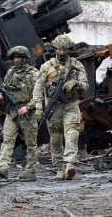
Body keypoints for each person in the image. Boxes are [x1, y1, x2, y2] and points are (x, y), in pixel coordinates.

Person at [33, 34, 89, 180]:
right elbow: (38, 88)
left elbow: (85, 86)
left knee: (72, 134)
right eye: (59, 49)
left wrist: (75, 84)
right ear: (55, 49)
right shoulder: (46, 67)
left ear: (69, 49)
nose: (62, 52)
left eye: (65, 49)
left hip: (70, 106)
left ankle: (70, 164)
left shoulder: (77, 65)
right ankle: (59, 167)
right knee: (55, 139)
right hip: (53, 109)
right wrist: (39, 108)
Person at [0, 46, 39, 181]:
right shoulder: (11, 72)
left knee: (30, 143)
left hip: (27, 113)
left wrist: (28, 107)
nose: (16, 60)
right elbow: (4, 87)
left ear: (25, 59)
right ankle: (3, 168)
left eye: (19, 57)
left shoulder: (33, 74)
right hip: (12, 112)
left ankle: (30, 171)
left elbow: (40, 95)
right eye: (14, 58)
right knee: (7, 139)